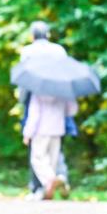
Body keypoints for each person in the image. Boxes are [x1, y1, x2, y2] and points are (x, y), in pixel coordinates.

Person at [19, 21, 71, 197]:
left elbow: (23, 79)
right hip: (60, 97)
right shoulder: (59, 50)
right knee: (55, 151)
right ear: (48, 35)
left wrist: (21, 100)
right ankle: (61, 176)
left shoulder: (27, 51)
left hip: (36, 97)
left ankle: (40, 186)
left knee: (37, 151)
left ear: (33, 36)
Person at [23, 90, 78, 200]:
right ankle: (60, 179)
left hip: (40, 131)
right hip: (57, 131)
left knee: (37, 159)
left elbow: (34, 114)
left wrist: (27, 133)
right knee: (52, 161)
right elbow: (72, 110)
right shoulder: (63, 91)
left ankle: (50, 180)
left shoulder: (38, 91)